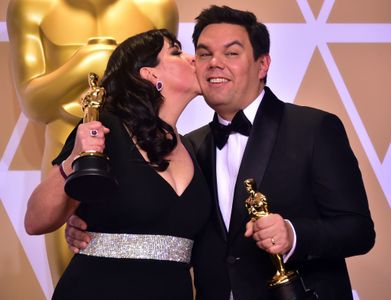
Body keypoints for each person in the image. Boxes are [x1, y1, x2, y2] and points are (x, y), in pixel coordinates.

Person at [66, 5, 376, 300]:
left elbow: (358, 230)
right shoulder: (186, 148)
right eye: (204, 53)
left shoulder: (314, 128)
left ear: (262, 64)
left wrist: (293, 235)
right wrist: (98, 228)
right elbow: (166, 221)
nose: (215, 63)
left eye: (232, 53)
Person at [24, 29, 211, 300]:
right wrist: (74, 157)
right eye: (176, 52)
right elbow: (35, 221)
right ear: (150, 73)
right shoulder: (106, 128)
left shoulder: (195, 147)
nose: (193, 59)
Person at [7, 0, 179, 279]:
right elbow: (34, 104)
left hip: (143, 153)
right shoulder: (30, 7)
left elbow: (167, 92)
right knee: (72, 279)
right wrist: (88, 61)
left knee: (151, 268)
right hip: (70, 156)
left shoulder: (158, 7)